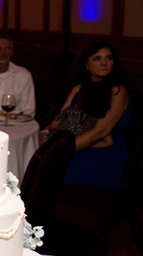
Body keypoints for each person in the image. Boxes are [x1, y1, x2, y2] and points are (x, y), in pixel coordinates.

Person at [40, 41, 131, 191]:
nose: (104, 63)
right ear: (87, 65)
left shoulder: (117, 91)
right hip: (74, 143)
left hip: (103, 151)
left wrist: (59, 149)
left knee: (61, 166)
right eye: (97, 58)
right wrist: (44, 134)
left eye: (108, 58)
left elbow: (100, 132)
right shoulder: (78, 89)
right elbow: (59, 119)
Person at [0, 37, 36, 116]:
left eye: (7, 48)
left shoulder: (23, 75)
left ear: (12, 53)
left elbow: (29, 112)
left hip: (15, 122)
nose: (3, 52)